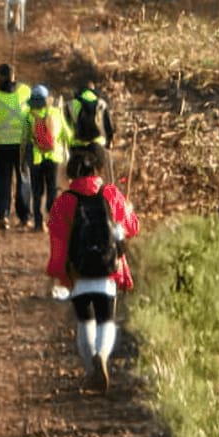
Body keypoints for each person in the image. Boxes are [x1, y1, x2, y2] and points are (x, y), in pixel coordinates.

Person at [44, 148, 140, 393]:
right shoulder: (111, 193)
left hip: (79, 273)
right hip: (108, 269)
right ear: (97, 170)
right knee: (105, 320)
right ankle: (102, 358)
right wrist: (127, 209)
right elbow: (131, 228)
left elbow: (58, 240)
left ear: (71, 173)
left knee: (85, 321)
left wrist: (59, 273)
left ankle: (91, 372)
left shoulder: (64, 202)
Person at [0, 62, 32, 230]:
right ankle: (24, 217)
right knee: (23, 179)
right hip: (22, 144)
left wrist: (0, 127)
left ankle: (2, 216)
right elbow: (33, 114)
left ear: (2, 78)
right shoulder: (25, 92)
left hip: (2, 144)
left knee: (3, 180)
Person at [22, 84, 70, 232]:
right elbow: (67, 134)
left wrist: (23, 157)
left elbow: (24, 139)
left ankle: (38, 223)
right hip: (54, 157)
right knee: (52, 189)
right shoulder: (56, 113)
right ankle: (52, 217)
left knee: (37, 192)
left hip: (36, 158)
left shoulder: (29, 116)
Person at [68, 83, 116, 163]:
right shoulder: (101, 104)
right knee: (98, 169)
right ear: (94, 90)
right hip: (98, 143)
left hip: (77, 146)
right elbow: (109, 126)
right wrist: (109, 142)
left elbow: (67, 126)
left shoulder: (71, 104)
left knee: (77, 172)